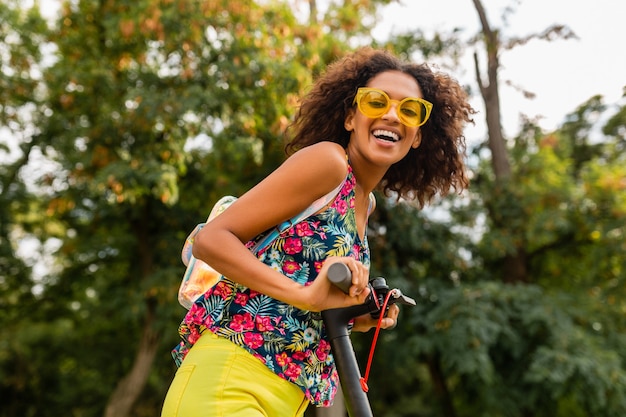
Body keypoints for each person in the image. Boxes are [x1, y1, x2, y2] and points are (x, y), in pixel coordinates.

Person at [161, 47, 474, 417]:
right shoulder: (328, 163)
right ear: (349, 117)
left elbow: (305, 305)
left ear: (418, 135)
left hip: (287, 400)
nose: (392, 114)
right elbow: (211, 240)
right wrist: (306, 295)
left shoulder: (363, 205)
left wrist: (359, 317)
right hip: (230, 381)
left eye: (409, 110)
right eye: (376, 102)